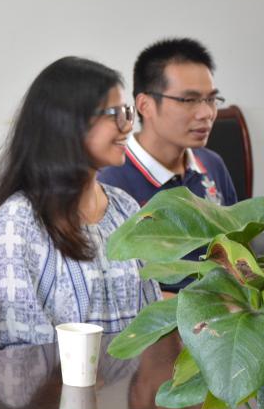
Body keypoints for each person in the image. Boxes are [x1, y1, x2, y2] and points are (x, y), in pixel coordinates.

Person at [0, 57, 161, 350]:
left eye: (127, 112)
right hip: (55, 380)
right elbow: (20, 347)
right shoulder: (20, 219)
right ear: (67, 123)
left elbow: (152, 322)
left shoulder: (125, 207)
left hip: (135, 378)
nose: (127, 126)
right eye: (114, 114)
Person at [98, 38, 237, 291]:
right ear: (145, 105)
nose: (206, 113)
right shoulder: (110, 181)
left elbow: (239, 253)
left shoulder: (212, 165)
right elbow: (115, 288)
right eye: (189, 100)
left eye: (211, 100)